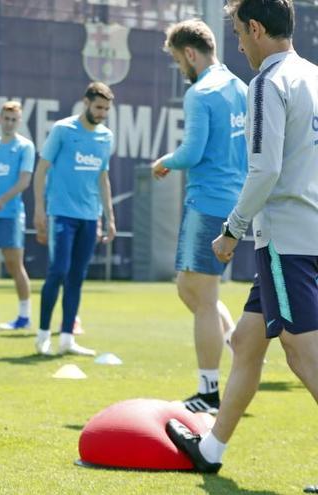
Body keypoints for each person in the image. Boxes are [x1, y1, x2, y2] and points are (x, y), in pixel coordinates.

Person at [167, 1, 318, 479]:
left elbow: (265, 169)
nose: (237, 43)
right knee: (247, 341)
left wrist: (231, 230)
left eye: (236, 32)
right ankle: (211, 450)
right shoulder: (314, 76)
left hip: (286, 241)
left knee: (300, 351)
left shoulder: (267, 82)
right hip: (308, 235)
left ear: (256, 29)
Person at [151, 19, 247, 414]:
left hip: (208, 202)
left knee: (200, 295)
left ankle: (209, 392)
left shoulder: (201, 91)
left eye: (178, 61)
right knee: (192, 290)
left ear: (190, 53)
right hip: (236, 203)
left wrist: (164, 161)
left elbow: (191, 153)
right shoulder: (240, 88)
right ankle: (239, 348)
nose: (179, 68)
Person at [33, 82, 116, 356]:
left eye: (106, 109)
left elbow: (103, 177)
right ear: (86, 103)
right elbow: (42, 169)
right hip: (61, 215)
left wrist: (109, 216)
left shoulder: (106, 137)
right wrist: (39, 209)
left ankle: (67, 337)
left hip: (90, 217)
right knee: (58, 272)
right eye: (98, 107)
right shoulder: (63, 130)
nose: (102, 113)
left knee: (77, 277)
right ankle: (43, 335)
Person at [0, 101, 35, 332]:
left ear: (19, 122)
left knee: (15, 265)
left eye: (14, 119)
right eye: (7, 118)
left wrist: (1, 201)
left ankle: (24, 316)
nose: (10, 123)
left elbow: (24, 181)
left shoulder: (25, 147)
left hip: (10, 215)